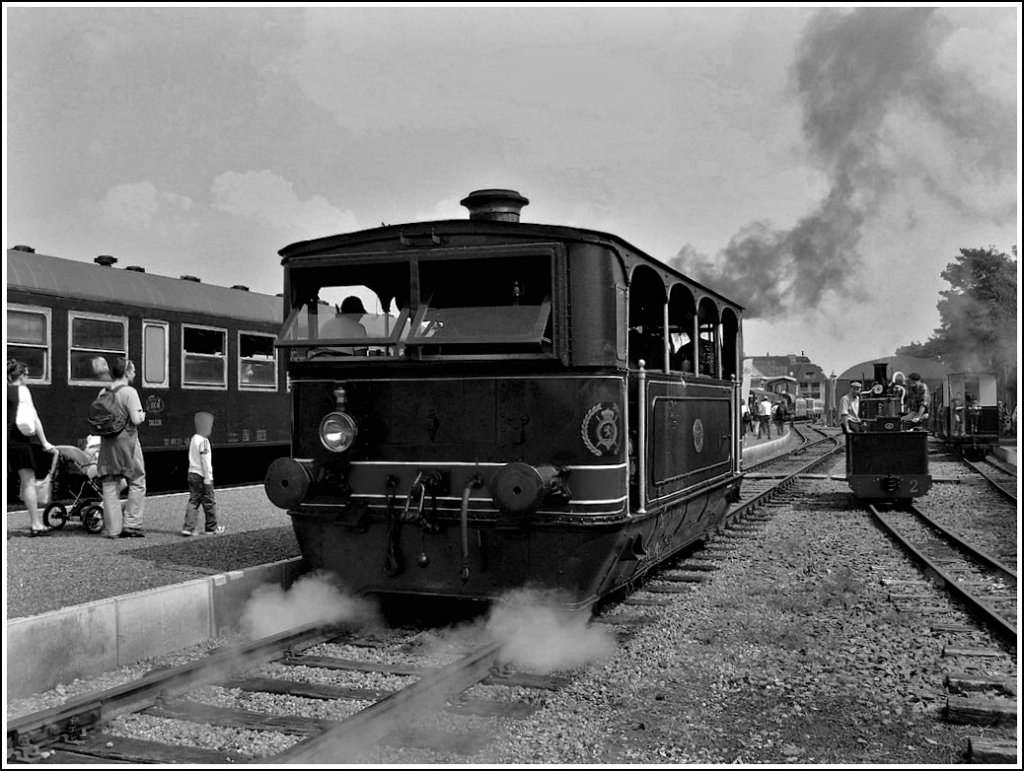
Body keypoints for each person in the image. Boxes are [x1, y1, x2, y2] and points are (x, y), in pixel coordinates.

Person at [96, 358, 147, 538]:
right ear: (126, 372)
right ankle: (131, 524)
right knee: (137, 480)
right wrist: (142, 415)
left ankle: (113, 529)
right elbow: (135, 419)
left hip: (107, 442)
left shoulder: (104, 391)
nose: (134, 374)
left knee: (110, 483)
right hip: (128, 442)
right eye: (132, 371)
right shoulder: (129, 392)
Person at [7, 359, 57, 536]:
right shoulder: (23, 390)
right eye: (26, 374)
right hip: (19, 441)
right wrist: (45, 443)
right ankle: (36, 524)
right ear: (20, 375)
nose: (28, 377)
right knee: (28, 482)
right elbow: (35, 419)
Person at [182, 411, 224, 536]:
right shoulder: (204, 441)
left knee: (193, 501)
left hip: (192, 473)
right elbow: (205, 461)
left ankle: (188, 528)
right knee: (209, 502)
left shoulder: (194, 439)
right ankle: (212, 528)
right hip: (202, 475)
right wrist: (207, 478)